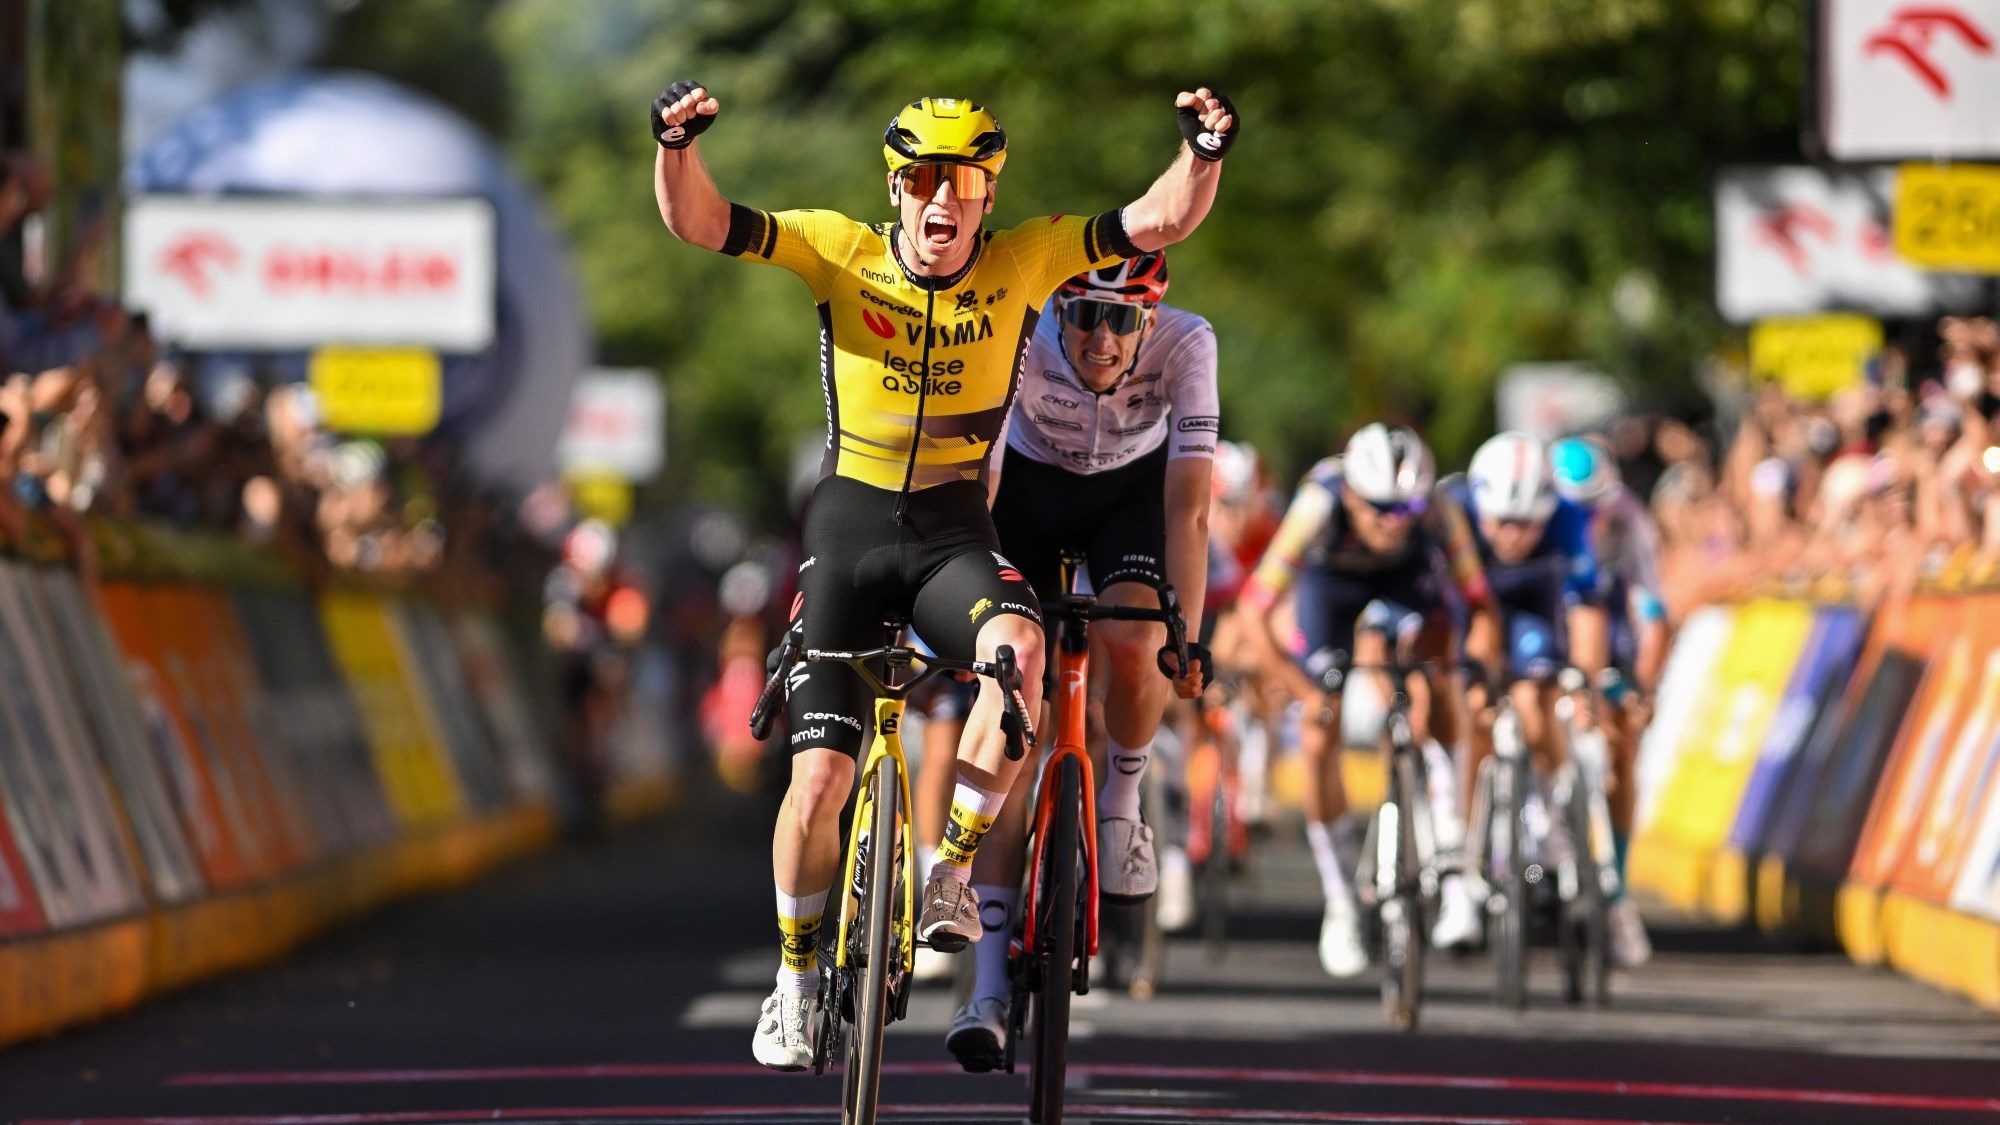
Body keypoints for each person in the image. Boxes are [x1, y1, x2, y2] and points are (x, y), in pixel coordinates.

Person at [649, 81, 1239, 1071]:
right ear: (895, 188)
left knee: (1021, 652)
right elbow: (702, 223)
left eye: (961, 182)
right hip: (848, 527)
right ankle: (794, 978)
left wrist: (1203, 151)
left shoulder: (1026, 262)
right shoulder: (839, 249)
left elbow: (1159, 219)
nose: (940, 198)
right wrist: (676, 148)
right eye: (921, 178)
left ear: (986, 195)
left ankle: (951, 872)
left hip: (952, 533)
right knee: (818, 781)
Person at [942, 249, 1215, 1069]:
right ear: (1058, 312)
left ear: (1148, 321)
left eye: (1122, 320)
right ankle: (987, 988)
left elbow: (1191, 507)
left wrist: (1189, 636)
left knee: (1137, 639)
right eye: (1086, 316)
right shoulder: (1019, 333)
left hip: (1130, 497)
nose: (1102, 338)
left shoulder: (1188, 344)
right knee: (1012, 720)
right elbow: (981, 482)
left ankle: (1122, 805)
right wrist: (962, 612)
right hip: (1025, 490)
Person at [1240, 425, 1496, 977]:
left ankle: (1451, 852)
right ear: (1353, 494)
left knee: (1438, 673)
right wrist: (1305, 692)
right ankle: (1340, 902)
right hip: (1331, 588)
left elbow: (1480, 606)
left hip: (1408, 583)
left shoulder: (1440, 512)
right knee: (1318, 733)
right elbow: (1253, 612)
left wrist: (1474, 673)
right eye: (1380, 509)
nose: (1394, 522)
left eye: (1407, 509)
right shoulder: (1317, 506)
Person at [1550, 434, 1662, 967]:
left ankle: (1616, 895)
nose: (1587, 523)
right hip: (1545, 628)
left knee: (1620, 743)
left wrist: (1643, 686)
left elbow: (1653, 617)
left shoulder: (1630, 522)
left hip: (1607, 632)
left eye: (1595, 510)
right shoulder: (1533, 526)